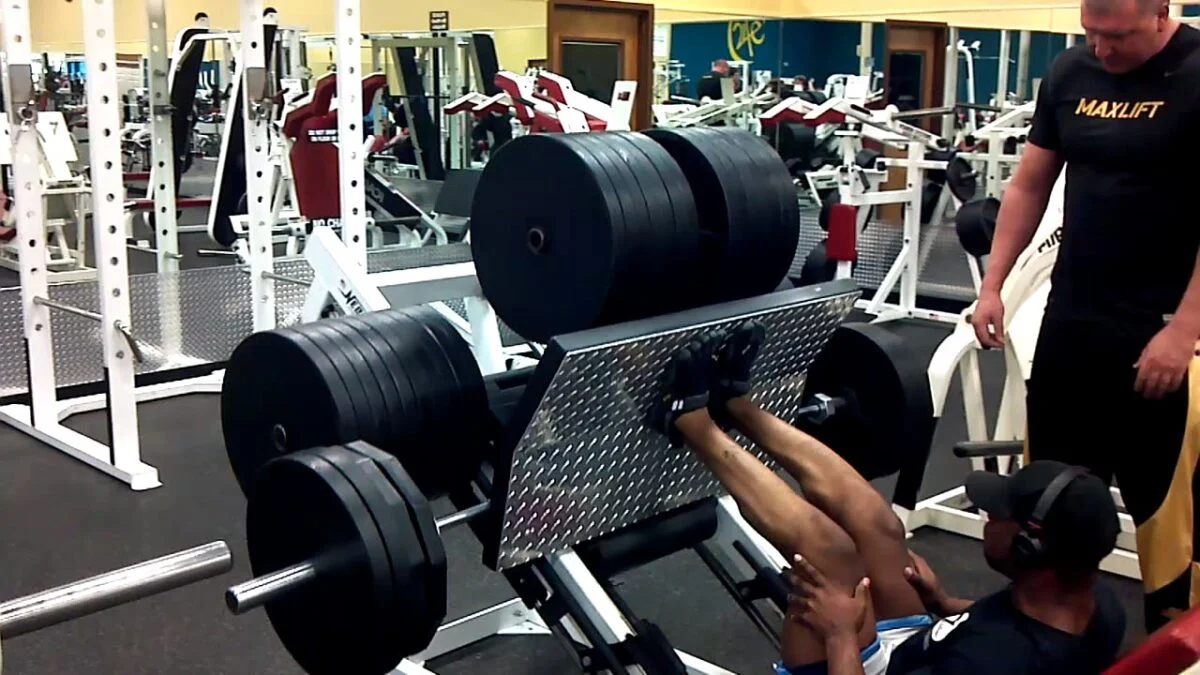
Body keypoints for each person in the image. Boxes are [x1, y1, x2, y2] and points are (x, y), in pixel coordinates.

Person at [650, 323, 1125, 675]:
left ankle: (691, 425)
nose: (986, 515)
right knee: (877, 524)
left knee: (830, 555)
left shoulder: (989, 664)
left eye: (997, 514)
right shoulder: (1091, 601)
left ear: (1028, 548)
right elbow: (999, 626)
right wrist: (946, 603)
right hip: (921, 650)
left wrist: (839, 635)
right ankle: (738, 407)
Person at [969, 0, 1200, 631]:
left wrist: (1183, 332)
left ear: (1162, 13)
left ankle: (1176, 651)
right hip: (1073, 326)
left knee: (1167, 518)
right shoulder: (1071, 73)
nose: (1100, 48)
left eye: (1116, 35)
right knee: (1053, 501)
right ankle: (1048, 644)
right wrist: (994, 286)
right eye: (1090, 32)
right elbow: (1029, 185)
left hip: (1164, 335)